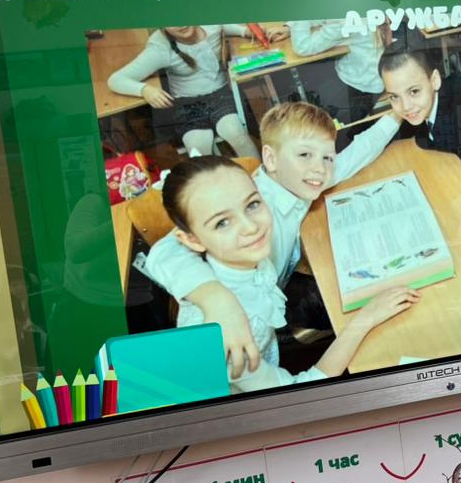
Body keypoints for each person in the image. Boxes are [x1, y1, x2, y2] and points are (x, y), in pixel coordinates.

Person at [143, 101, 406, 374]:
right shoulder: (254, 198)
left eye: (327, 157)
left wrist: (397, 115)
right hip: (257, 329)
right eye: (304, 155)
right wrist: (216, 299)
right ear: (270, 159)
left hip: (273, 289)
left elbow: (355, 155)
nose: (320, 169)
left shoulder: (297, 179)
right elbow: (164, 251)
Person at [160, 155, 418, 392]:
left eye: (252, 204)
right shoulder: (221, 340)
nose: (251, 227)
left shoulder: (238, 258)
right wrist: (365, 319)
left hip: (269, 360)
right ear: (191, 240)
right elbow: (301, 395)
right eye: (222, 222)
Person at [107, 25, 259, 158]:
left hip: (220, 92)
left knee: (235, 132)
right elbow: (116, 79)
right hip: (187, 103)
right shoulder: (160, 47)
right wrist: (144, 90)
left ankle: (260, 174)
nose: (181, 24)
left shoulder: (208, 24)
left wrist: (245, 31)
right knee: (198, 146)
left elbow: (222, 25)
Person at [285, 19, 388, 124]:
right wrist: (290, 27)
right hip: (367, 78)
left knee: (314, 115)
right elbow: (324, 18)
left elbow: (302, 47)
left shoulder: (344, 20)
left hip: (359, 89)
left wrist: (299, 19)